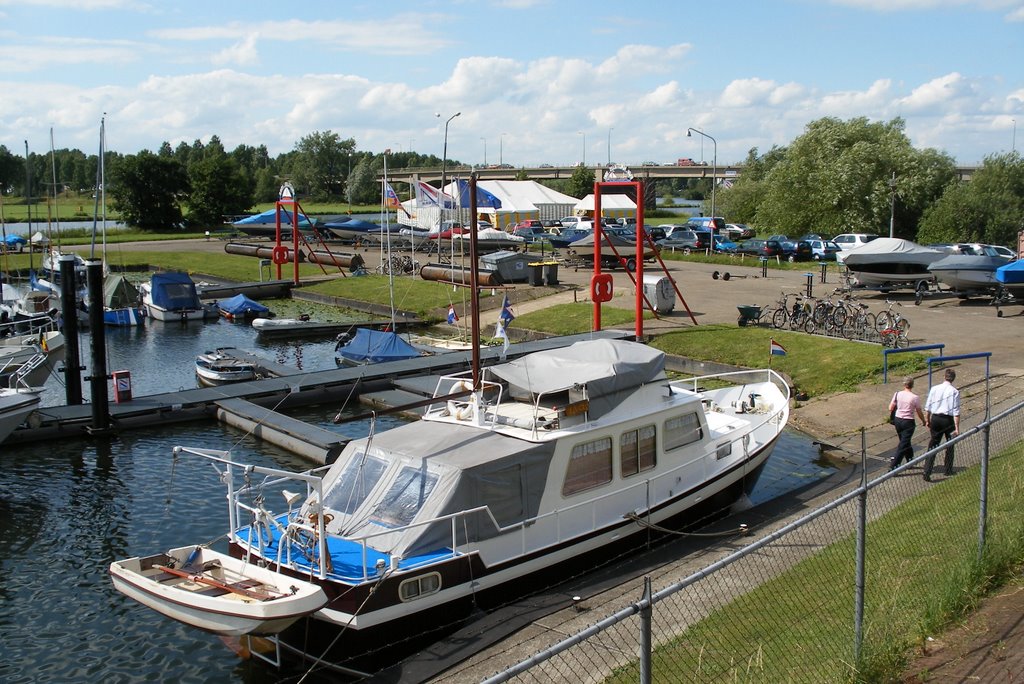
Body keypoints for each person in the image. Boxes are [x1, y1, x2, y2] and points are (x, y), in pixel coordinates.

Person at [923, 368, 961, 481]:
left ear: (944, 377)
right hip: (948, 420)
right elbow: (956, 411)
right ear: (953, 379)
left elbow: (928, 406)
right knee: (950, 444)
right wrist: (957, 428)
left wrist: (927, 420)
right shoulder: (954, 392)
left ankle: (927, 470)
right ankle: (948, 469)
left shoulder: (934, 389)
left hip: (936, 418)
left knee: (933, 444)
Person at [889, 376, 926, 471]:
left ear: (904, 384)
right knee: (903, 443)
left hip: (898, 420)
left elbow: (891, 407)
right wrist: (923, 420)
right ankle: (894, 466)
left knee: (905, 441)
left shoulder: (897, 394)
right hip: (908, 421)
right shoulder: (914, 397)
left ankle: (910, 460)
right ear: (912, 385)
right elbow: (919, 411)